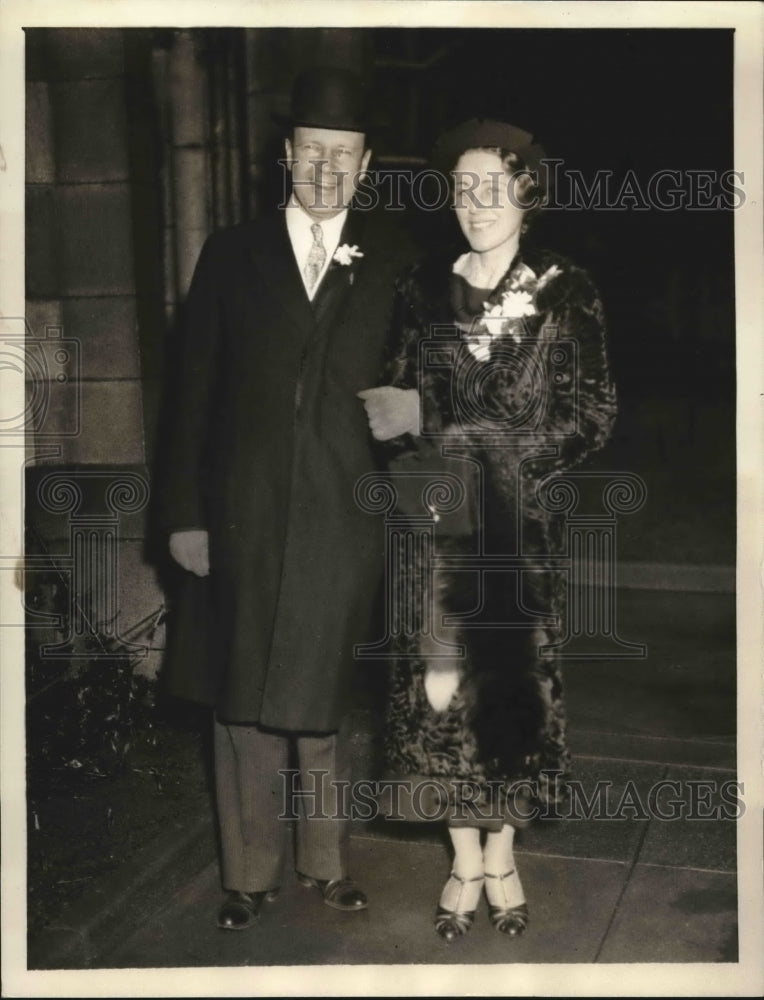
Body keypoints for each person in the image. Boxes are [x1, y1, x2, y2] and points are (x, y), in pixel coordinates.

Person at [159, 66, 416, 931]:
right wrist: (185, 515)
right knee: (243, 693)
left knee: (323, 693)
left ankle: (325, 862)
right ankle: (249, 872)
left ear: (366, 164)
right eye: (312, 151)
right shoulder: (232, 253)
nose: (326, 169)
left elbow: (429, 380)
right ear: (287, 155)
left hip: (348, 513)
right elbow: (190, 394)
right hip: (246, 511)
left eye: (343, 154)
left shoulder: (397, 262)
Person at [359, 118, 617, 941]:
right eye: (462, 189)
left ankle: (502, 856)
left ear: (526, 194)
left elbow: (590, 416)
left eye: (493, 189)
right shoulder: (420, 287)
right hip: (435, 524)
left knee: (506, 698)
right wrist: (417, 444)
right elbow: (391, 411)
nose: (476, 205)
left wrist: (455, 429)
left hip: (516, 531)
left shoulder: (563, 290)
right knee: (439, 700)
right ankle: (462, 858)